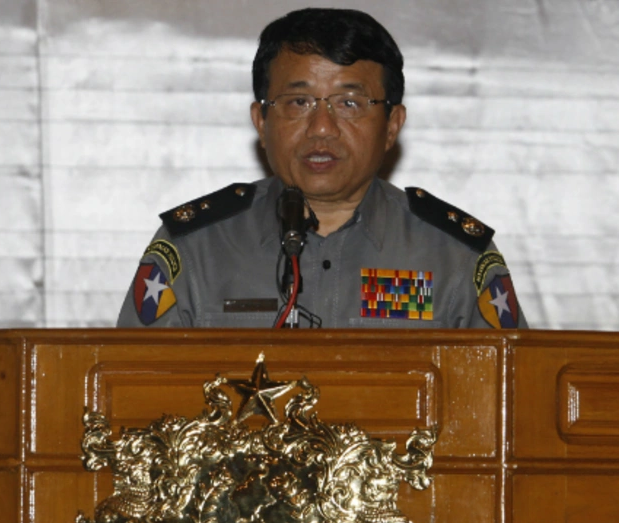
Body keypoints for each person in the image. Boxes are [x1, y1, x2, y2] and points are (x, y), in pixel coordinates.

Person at [117, 8, 526, 329]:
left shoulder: (453, 254)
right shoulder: (196, 248)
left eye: (349, 103)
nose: (322, 128)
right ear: (262, 122)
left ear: (392, 126)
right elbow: (135, 393)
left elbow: (510, 404)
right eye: (299, 103)